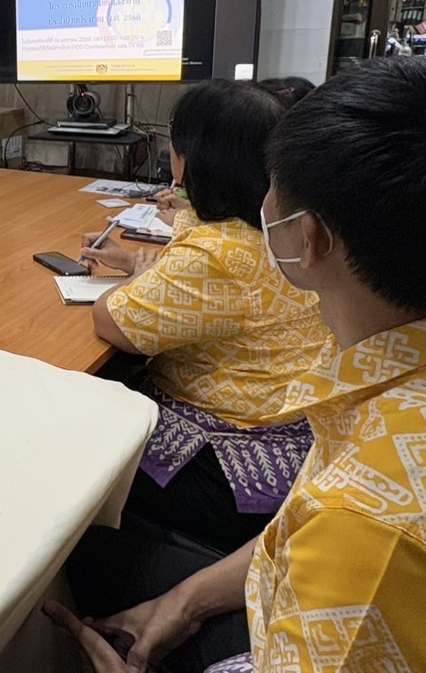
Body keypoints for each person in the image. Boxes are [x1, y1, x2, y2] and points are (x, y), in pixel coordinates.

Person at [50, 60, 426, 673]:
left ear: (309, 236)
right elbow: (305, 523)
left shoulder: (374, 532)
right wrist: (184, 603)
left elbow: (353, 541)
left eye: (274, 182)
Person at [79, 80, 331, 559]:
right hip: (296, 422)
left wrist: (135, 282)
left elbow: (109, 320)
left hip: (234, 459)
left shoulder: (216, 255)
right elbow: (215, 294)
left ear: (193, 156)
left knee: (73, 413)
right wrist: (136, 263)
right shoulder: (280, 229)